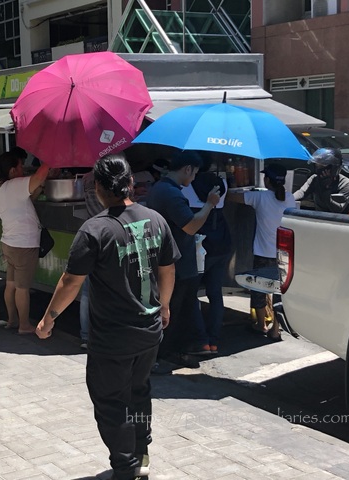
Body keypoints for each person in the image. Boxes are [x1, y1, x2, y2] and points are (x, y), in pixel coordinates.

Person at [36, 153, 180, 480]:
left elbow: (71, 281)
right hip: (150, 329)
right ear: (130, 182)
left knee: (111, 402)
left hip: (112, 338)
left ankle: (126, 465)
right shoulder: (156, 220)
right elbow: (168, 269)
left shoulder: (94, 230)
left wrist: (49, 318)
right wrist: (166, 305)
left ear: (98, 188)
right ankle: (141, 450)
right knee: (139, 391)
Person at [146, 151, 220, 361]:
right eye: (194, 172)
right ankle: (161, 356)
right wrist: (209, 204)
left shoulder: (160, 188)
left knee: (181, 312)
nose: (194, 177)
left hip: (172, 260)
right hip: (175, 264)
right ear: (187, 169)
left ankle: (174, 352)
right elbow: (190, 226)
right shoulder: (170, 193)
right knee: (172, 313)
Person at [227, 163, 296, 341]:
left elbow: (231, 197)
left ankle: (261, 325)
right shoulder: (290, 198)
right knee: (280, 291)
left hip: (263, 253)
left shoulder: (260, 197)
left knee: (258, 289)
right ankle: (276, 328)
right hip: (283, 253)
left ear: (267, 180)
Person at [181, 155, 232, 353]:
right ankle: (214, 340)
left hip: (200, 248)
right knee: (215, 294)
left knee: (192, 294)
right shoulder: (221, 184)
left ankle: (201, 340)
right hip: (222, 244)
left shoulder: (186, 188)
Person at [0, 151, 49, 333]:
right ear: (12, 170)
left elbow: (23, 201)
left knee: (11, 285)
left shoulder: (2, 187)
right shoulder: (16, 184)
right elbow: (39, 176)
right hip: (23, 244)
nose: (23, 169)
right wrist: (50, 160)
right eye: (20, 166)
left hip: (9, 242)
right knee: (22, 288)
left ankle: (12, 319)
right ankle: (24, 324)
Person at [78, 169, 105, 349]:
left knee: (87, 292)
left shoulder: (87, 178)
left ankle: (86, 336)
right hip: (106, 238)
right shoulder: (106, 180)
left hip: (92, 233)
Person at [293, 147, 349, 213]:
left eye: (322, 167)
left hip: (336, 220)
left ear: (333, 168)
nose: (319, 170)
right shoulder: (314, 179)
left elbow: (337, 209)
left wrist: (326, 190)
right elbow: (302, 192)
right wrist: (288, 198)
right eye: (317, 166)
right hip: (318, 216)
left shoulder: (345, 184)